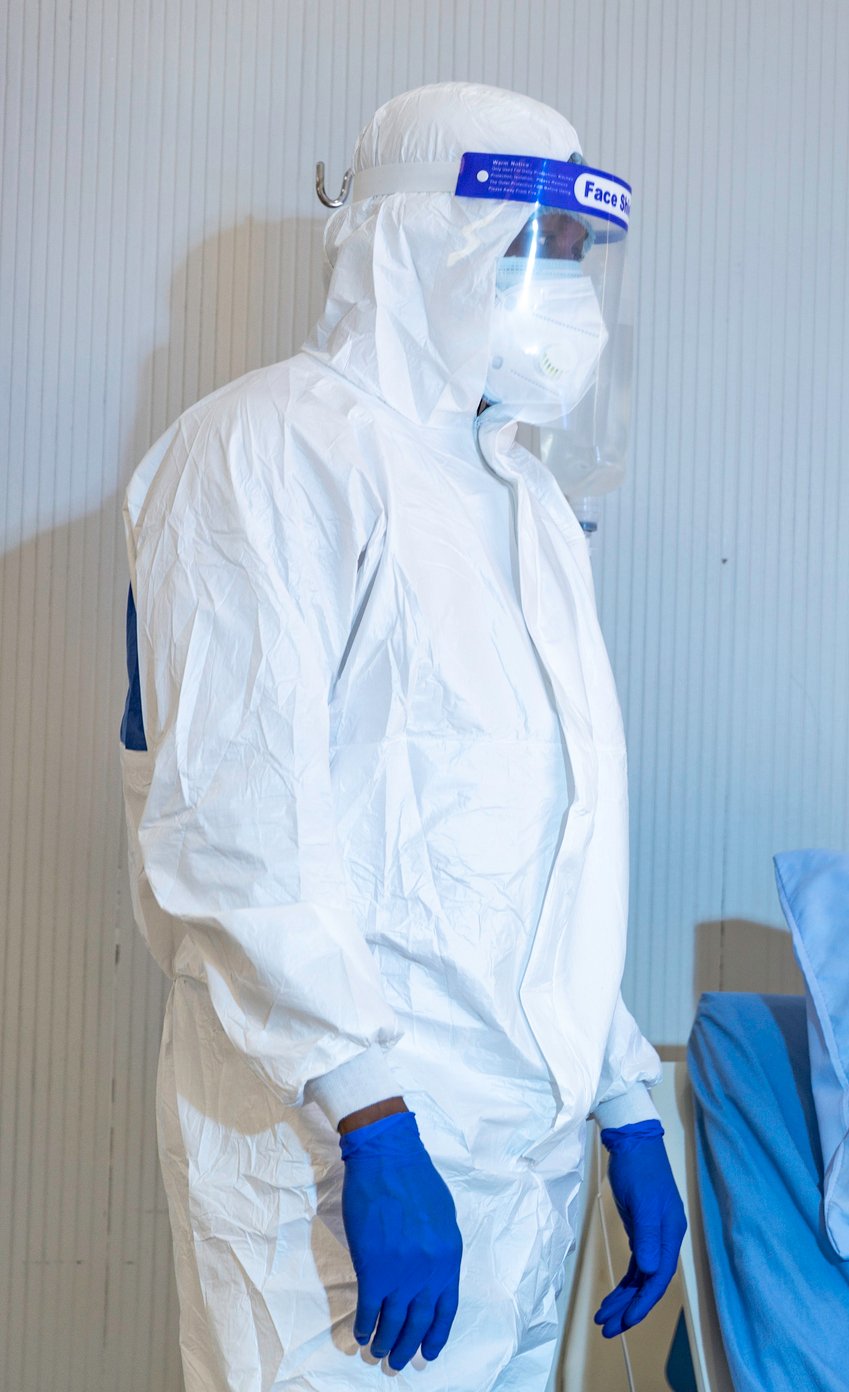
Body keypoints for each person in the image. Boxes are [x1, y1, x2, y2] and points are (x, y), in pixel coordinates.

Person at [119, 82, 683, 1389]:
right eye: (530, 248)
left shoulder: (523, 500)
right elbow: (231, 819)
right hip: (333, 1150)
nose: (563, 291)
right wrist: (370, 1121)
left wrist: (622, 1096)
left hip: (517, 1152)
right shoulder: (265, 452)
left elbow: (551, 845)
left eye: (575, 255)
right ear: (416, 241)